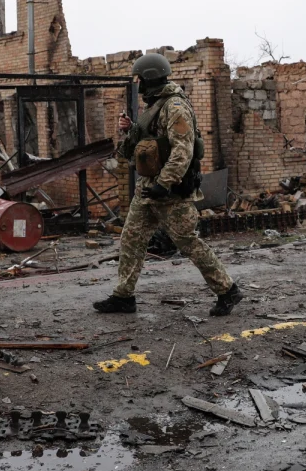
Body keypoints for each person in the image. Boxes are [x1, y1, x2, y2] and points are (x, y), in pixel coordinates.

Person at [92, 53, 241, 315]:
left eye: (140, 80)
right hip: (148, 188)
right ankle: (124, 296)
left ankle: (228, 291)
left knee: (188, 242)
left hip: (171, 191)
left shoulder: (175, 107)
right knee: (131, 239)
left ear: (149, 79)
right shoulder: (154, 107)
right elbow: (138, 150)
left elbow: (182, 151)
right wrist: (129, 130)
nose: (138, 86)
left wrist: (164, 183)